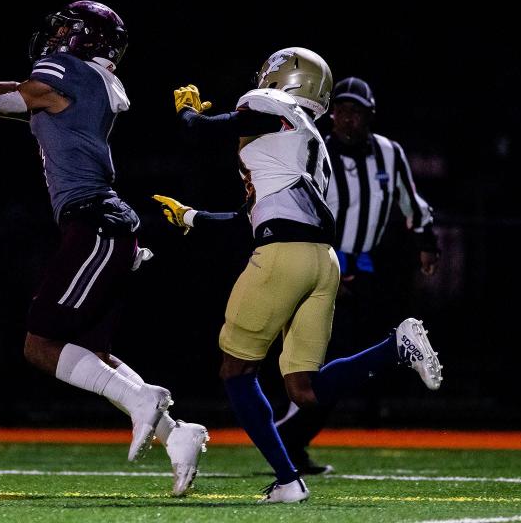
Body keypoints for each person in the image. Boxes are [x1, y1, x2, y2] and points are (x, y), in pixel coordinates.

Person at [0, 0, 208, 496]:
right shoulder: (84, 83)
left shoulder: (68, 74)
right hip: (109, 227)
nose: (55, 36)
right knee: (95, 353)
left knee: (40, 346)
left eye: (65, 29)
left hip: (96, 223)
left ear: (84, 38)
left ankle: (146, 402)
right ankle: (177, 433)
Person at [153, 48, 442, 504]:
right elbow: (255, 210)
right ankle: (396, 347)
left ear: (289, 77)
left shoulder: (271, 105)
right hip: (322, 262)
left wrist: (189, 113)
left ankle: (288, 480)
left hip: (283, 255)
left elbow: (201, 133)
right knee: (303, 389)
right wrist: (193, 218)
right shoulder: (308, 140)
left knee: (236, 369)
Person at [275, 76, 443, 474]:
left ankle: (291, 441)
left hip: (366, 273)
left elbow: (410, 201)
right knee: (318, 361)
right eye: (342, 110)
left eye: (356, 111)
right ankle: (285, 439)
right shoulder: (316, 148)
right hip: (319, 266)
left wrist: (426, 241)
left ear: (369, 115)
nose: (347, 119)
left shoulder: (389, 153)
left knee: (351, 363)